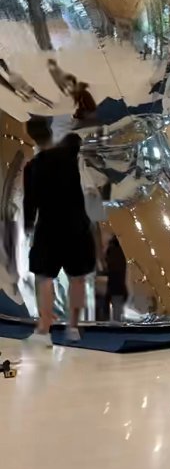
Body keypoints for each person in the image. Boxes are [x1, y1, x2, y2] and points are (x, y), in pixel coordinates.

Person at [23, 131, 96, 346]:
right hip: (77, 226)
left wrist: (28, 225)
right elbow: (91, 192)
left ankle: (44, 327)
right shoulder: (78, 161)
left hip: (48, 226)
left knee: (44, 277)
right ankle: (73, 326)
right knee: (77, 278)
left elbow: (30, 200)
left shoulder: (35, 164)